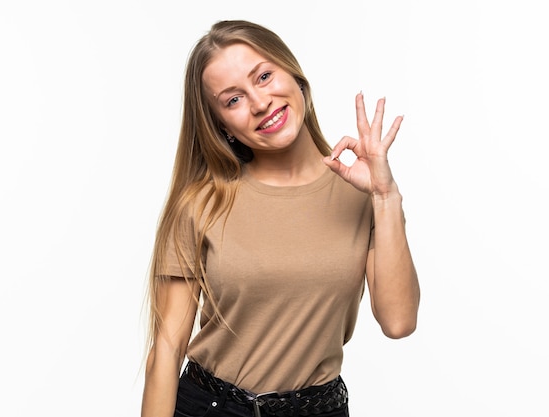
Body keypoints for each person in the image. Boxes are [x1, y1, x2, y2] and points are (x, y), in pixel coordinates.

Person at [141, 19, 420, 417]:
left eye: (264, 76)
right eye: (233, 100)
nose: (259, 102)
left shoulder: (361, 195)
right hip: (213, 407)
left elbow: (398, 322)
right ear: (223, 126)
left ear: (295, 76)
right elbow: (166, 352)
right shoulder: (201, 203)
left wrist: (385, 196)